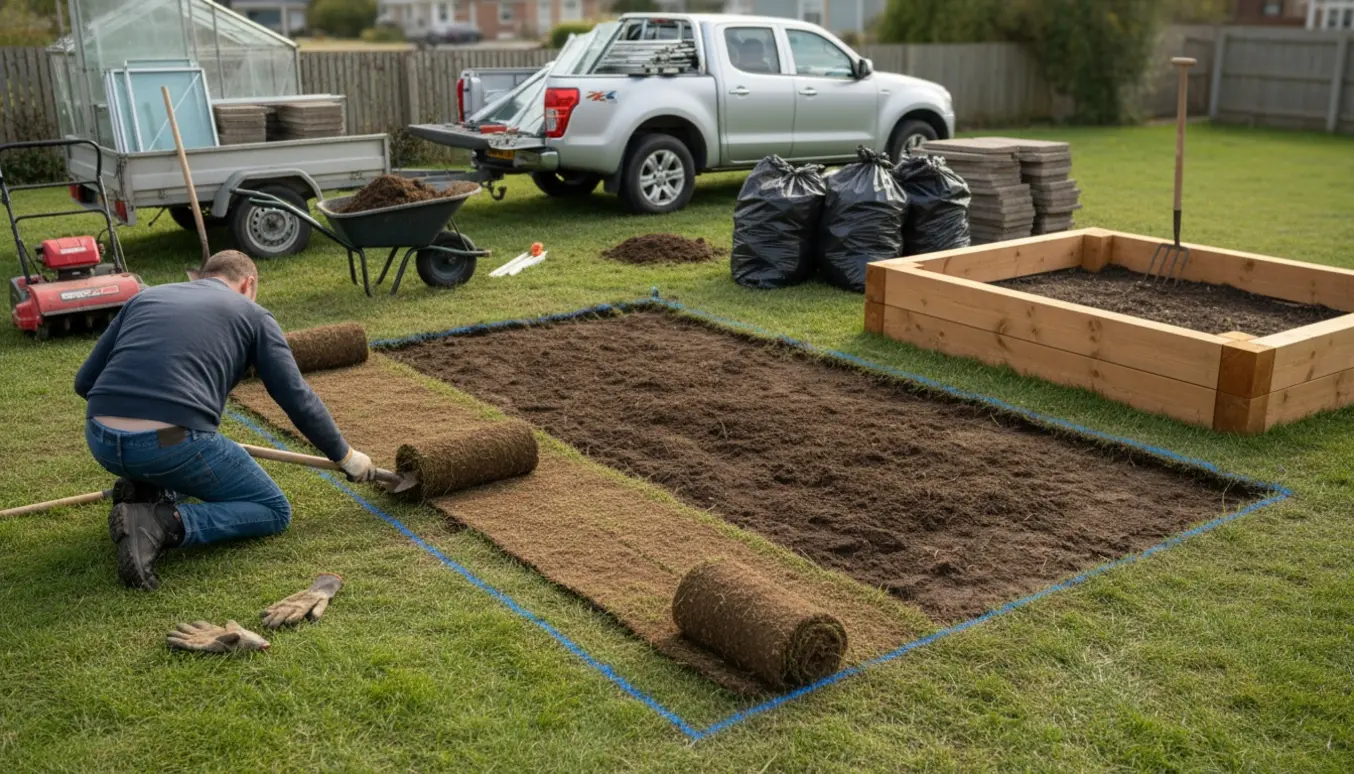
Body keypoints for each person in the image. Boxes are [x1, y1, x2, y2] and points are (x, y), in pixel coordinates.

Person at [74, 250, 377, 591]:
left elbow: (84, 383)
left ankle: (148, 488)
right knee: (272, 509)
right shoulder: (254, 315)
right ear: (249, 284)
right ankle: (160, 522)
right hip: (169, 441)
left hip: (100, 438)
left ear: (202, 276)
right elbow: (297, 398)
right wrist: (346, 456)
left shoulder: (145, 298)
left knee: (173, 449)